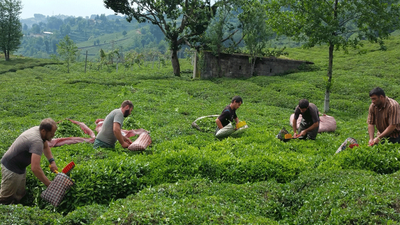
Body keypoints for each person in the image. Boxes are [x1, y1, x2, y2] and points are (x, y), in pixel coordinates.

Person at [0, 118, 58, 205]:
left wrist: (52, 162)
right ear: (43, 131)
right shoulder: (36, 141)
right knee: (5, 198)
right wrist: (48, 183)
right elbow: (35, 168)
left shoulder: (38, 131)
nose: (53, 135)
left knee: (19, 194)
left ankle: (16, 210)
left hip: (20, 167)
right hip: (11, 168)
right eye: (52, 133)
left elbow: (45, 146)